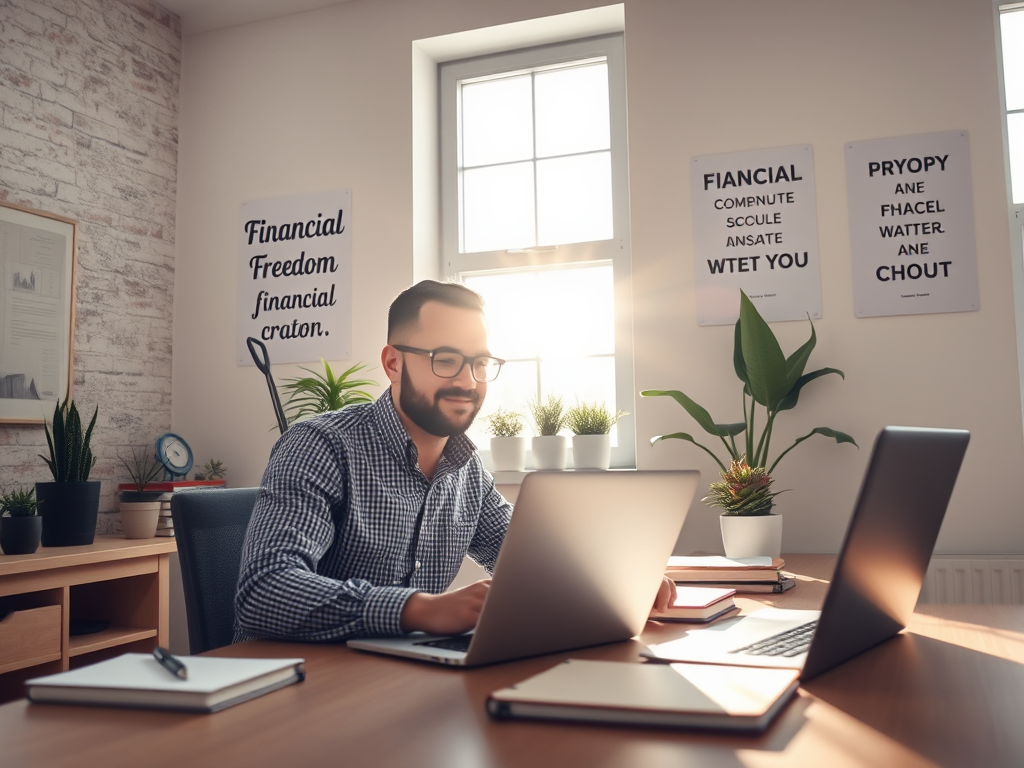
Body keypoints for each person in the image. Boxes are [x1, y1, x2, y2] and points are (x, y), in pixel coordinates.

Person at [234, 280, 675, 643]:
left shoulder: (465, 467)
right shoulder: (320, 446)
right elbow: (264, 590)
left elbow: (532, 555)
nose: (468, 380)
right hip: (289, 692)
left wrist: (616, 583)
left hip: (395, 684)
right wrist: (420, 609)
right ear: (392, 363)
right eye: (445, 360)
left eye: (480, 362)